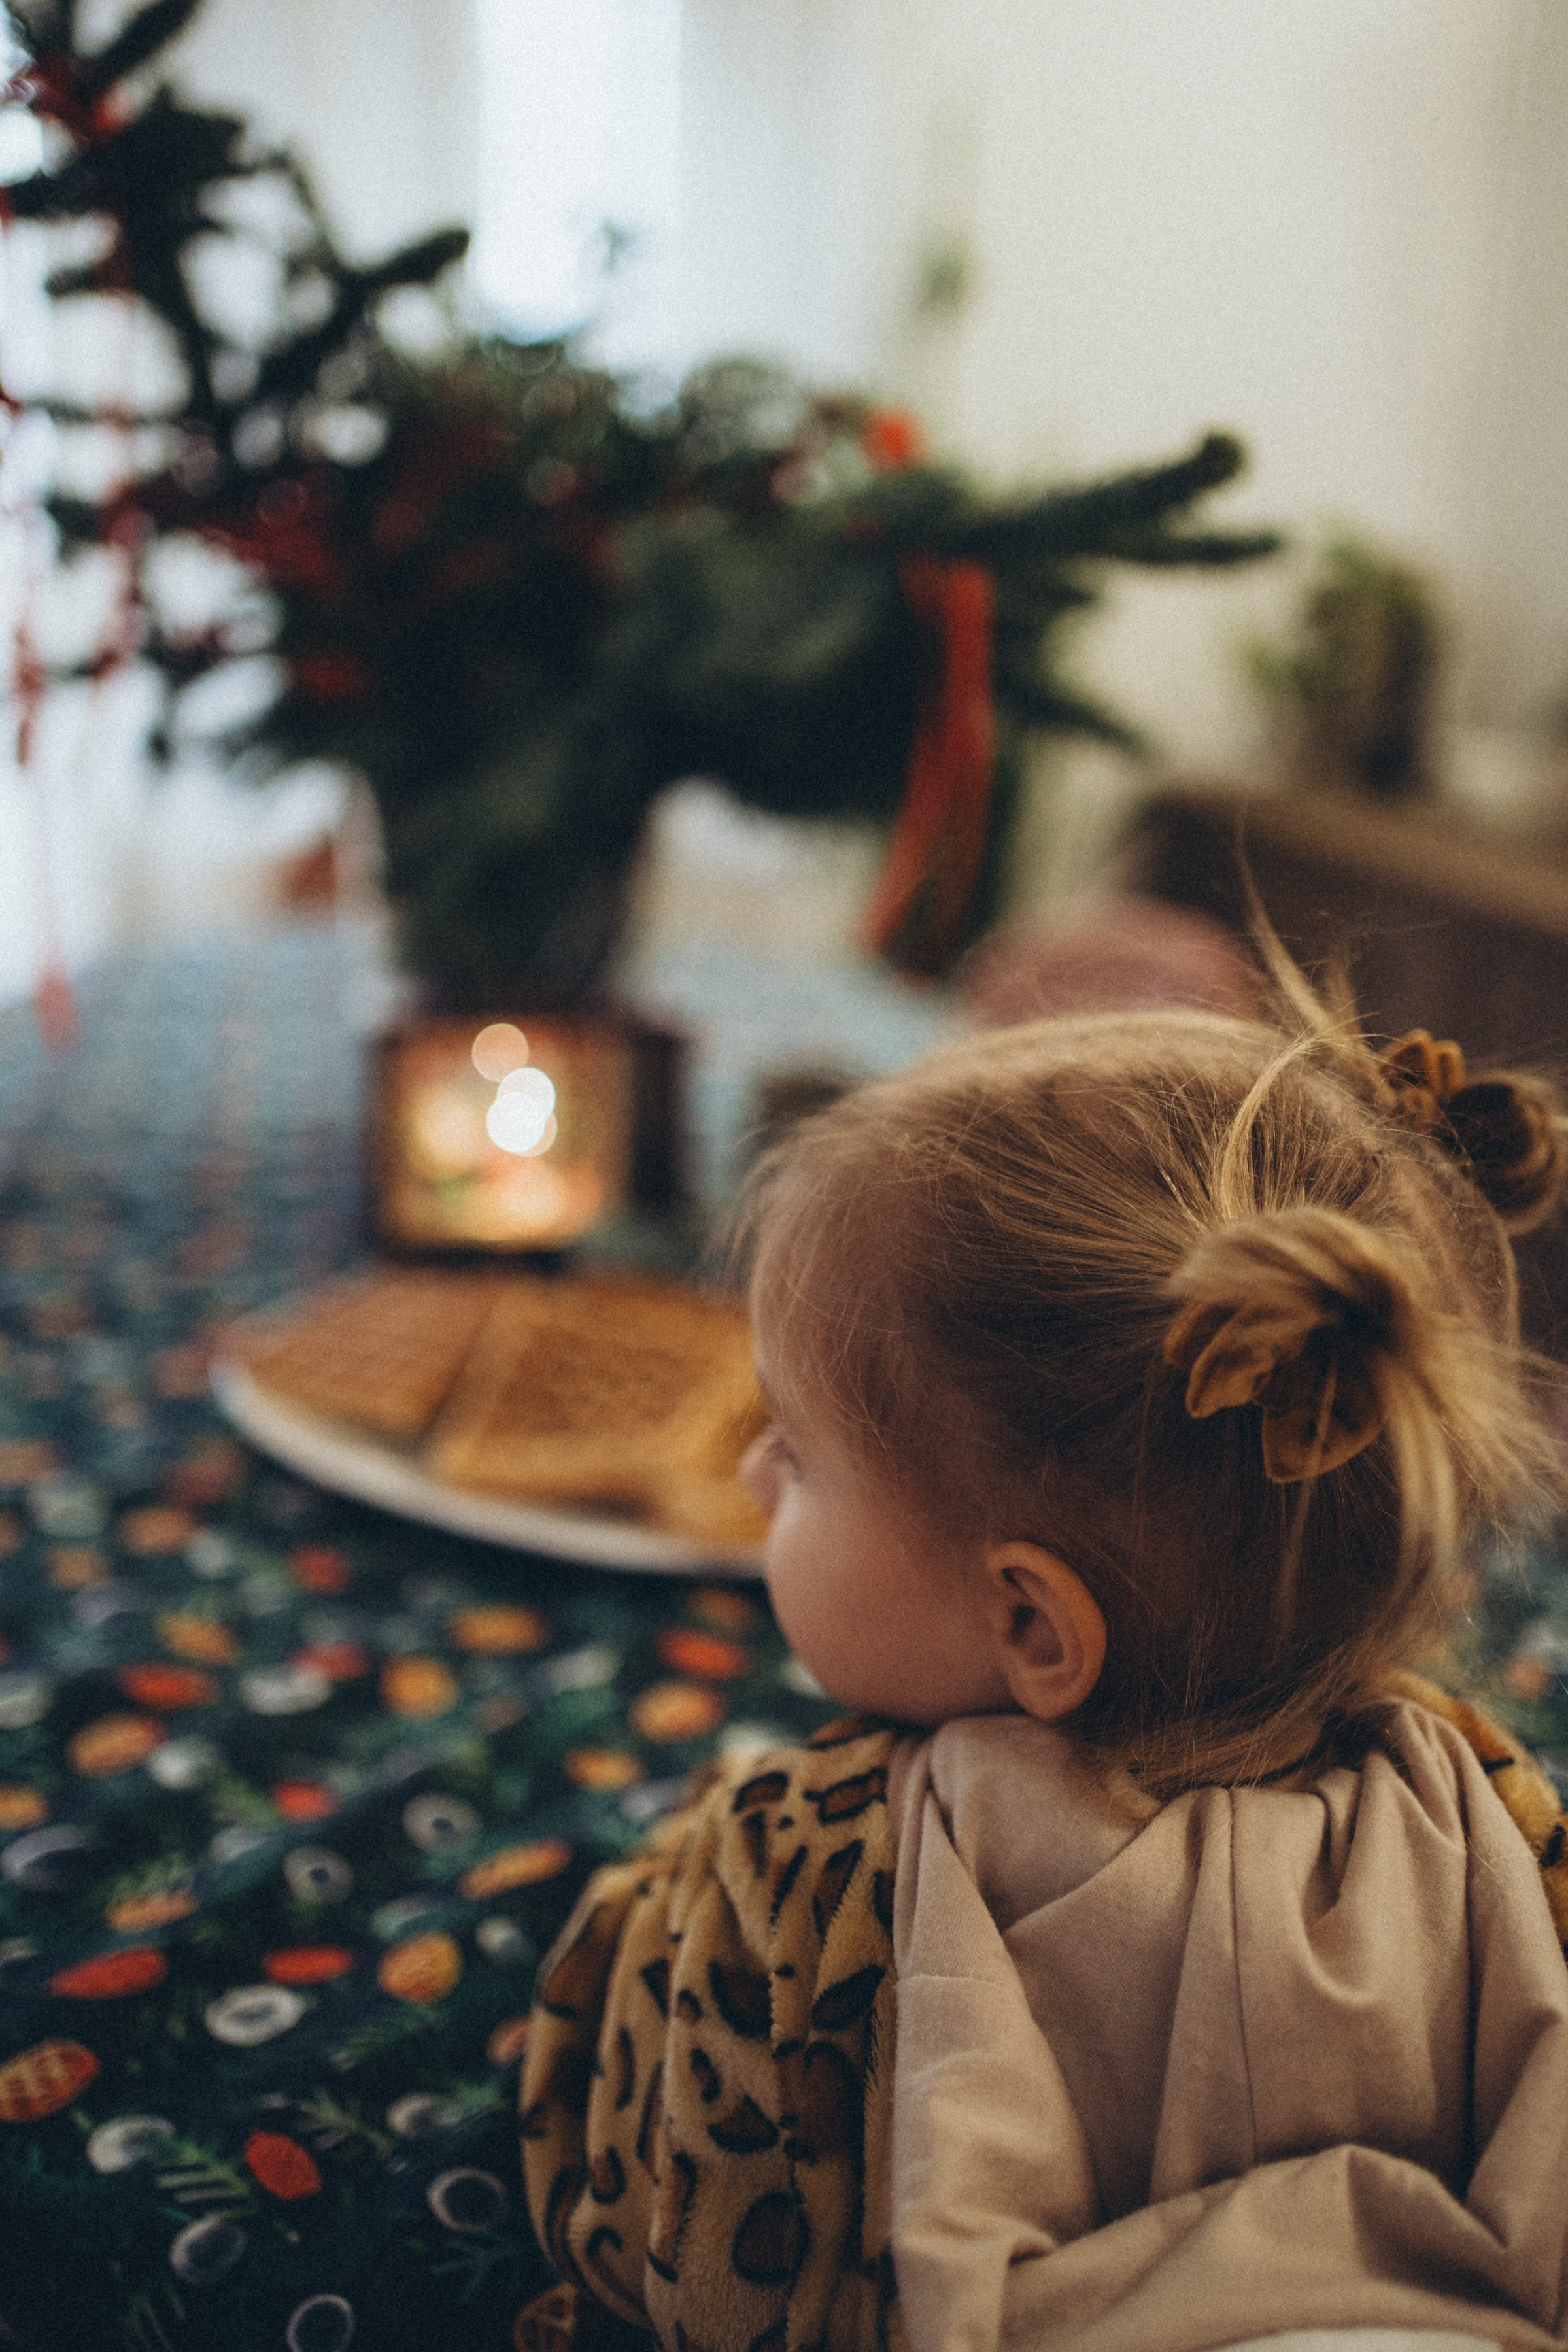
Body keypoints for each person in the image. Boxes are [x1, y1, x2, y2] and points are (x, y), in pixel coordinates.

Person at [519, 955, 1568, 2352]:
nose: (757, 1471)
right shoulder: (1486, 1812)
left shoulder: (812, 1869)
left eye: (800, 1449)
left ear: (1030, 1624)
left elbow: (685, 2240)